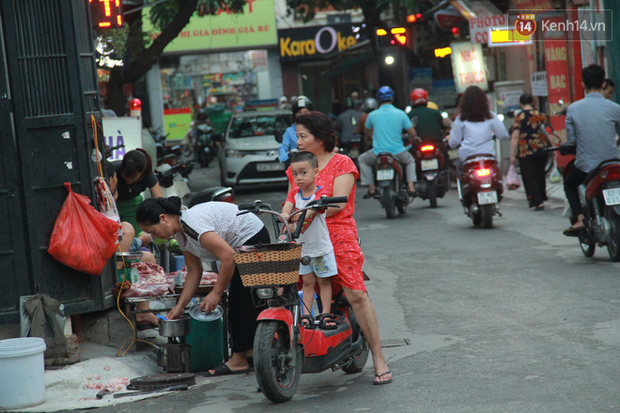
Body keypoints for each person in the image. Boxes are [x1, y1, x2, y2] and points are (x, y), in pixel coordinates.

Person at [288, 111, 392, 385]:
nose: (297, 140)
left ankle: (379, 357)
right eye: (297, 135)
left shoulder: (342, 162)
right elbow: (291, 198)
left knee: (356, 294)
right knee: (290, 291)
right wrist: (287, 218)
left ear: (319, 138)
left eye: (303, 136)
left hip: (338, 235)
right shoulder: (297, 166)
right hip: (305, 237)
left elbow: (339, 204)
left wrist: (307, 214)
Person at [136, 197, 271, 375]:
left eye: (152, 231)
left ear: (163, 218)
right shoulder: (180, 233)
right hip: (239, 245)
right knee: (245, 297)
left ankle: (239, 359)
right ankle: (250, 351)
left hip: (251, 236)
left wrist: (216, 292)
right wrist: (180, 306)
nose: (154, 236)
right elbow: (194, 271)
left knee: (240, 298)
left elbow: (228, 257)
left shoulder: (192, 225)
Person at [282, 151, 338, 328]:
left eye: (303, 173)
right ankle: (306, 315)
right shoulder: (294, 194)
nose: (299, 178)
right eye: (295, 174)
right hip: (303, 250)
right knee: (307, 283)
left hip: (320, 249)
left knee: (323, 282)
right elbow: (287, 207)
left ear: (316, 172)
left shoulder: (320, 194)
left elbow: (314, 209)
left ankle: (325, 314)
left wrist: (300, 215)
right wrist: (284, 215)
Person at [563, 64, 620, 236]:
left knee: (569, 184)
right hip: (613, 163)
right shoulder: (614, 108)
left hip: (587, 166)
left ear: (583, 85)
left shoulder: (573, 109)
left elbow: (572, 140)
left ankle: (579, 219)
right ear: (603, 84)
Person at [358, 86, 417, 198]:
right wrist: (412, 140)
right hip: (398, 152)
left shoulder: (372, 115)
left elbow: (366, 132)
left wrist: (369, 137)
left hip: (377, 153)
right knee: (410, 161)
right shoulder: (400, 113)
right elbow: (412, 133)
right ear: (392, 98)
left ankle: (371, 188)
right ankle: (411, 186)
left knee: (362, 159)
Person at [448, 85, 509, 171]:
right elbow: (503, 135)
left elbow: (454, 142)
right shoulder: (491, 116)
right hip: (488, 155)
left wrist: (451, 143)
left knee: (460, 171)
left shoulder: (460, 119)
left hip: (467, 156)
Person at [509, 93, 549, 211]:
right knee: (540, 174)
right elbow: (548, 132)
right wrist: (554, 147)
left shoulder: (519, 117)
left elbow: (515, 136)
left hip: (525, 151)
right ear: (532, 102)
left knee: (529, 176)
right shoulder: (541, 116)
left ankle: (537, 201)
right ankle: (542, 196)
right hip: (541, 149)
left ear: (521, 104)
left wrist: (512, 154)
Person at [114, 149, 163, 235]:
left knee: (137, 236)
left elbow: (159, 200)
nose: (128, 179)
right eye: (125, 174)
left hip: (133, 206)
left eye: (133, 176)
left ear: (141, 173)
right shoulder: (113, 170)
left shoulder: (148, 176)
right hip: (113, 204)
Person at [278, 96, 314, 162]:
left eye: (306, 112)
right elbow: (283, 148)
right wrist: (286, 156)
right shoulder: (289, 131)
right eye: (300, 112)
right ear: (295, 114)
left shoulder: (316, 127)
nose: (303, 115)